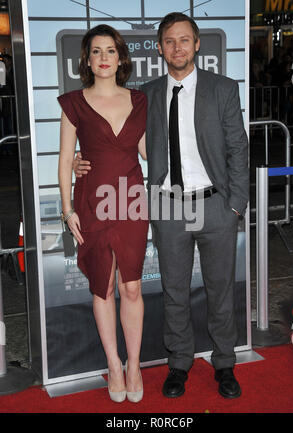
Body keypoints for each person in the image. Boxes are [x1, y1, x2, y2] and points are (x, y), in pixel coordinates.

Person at [74, 13, 249, 399]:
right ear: (159, 48)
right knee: (174, 292)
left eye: (184, 40)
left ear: (197, 44)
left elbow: (239, 146)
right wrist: (79, 159)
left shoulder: (223, 88)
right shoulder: (145, 95)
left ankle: (224, 364)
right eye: (169, 41)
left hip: (215, 205)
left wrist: (236, 204)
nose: (178, 48)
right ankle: (179, 364)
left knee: (221, 291)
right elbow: (115, 138)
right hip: (168, 208)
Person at [58, 24, 148, 403]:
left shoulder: (141, 101)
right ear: (87, 60)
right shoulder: (73, 102)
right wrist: (67, 210)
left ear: (121, 57)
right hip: (92, 203)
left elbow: (148, 151)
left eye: (110, 50)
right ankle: (113, 363)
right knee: (104, 284)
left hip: (132, 202)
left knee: (131, 285)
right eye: (96, 51)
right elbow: (65, 161)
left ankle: (134, 364)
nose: (104, 57)